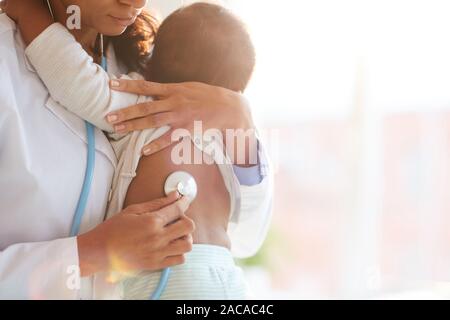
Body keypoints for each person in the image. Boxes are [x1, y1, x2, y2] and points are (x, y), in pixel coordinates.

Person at [0, 0, 272, 300]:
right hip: (223, 279)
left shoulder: (148, 92)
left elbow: (247, 235)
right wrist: (89, 253)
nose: (138, 3)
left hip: (175, 277)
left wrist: (241, 122)